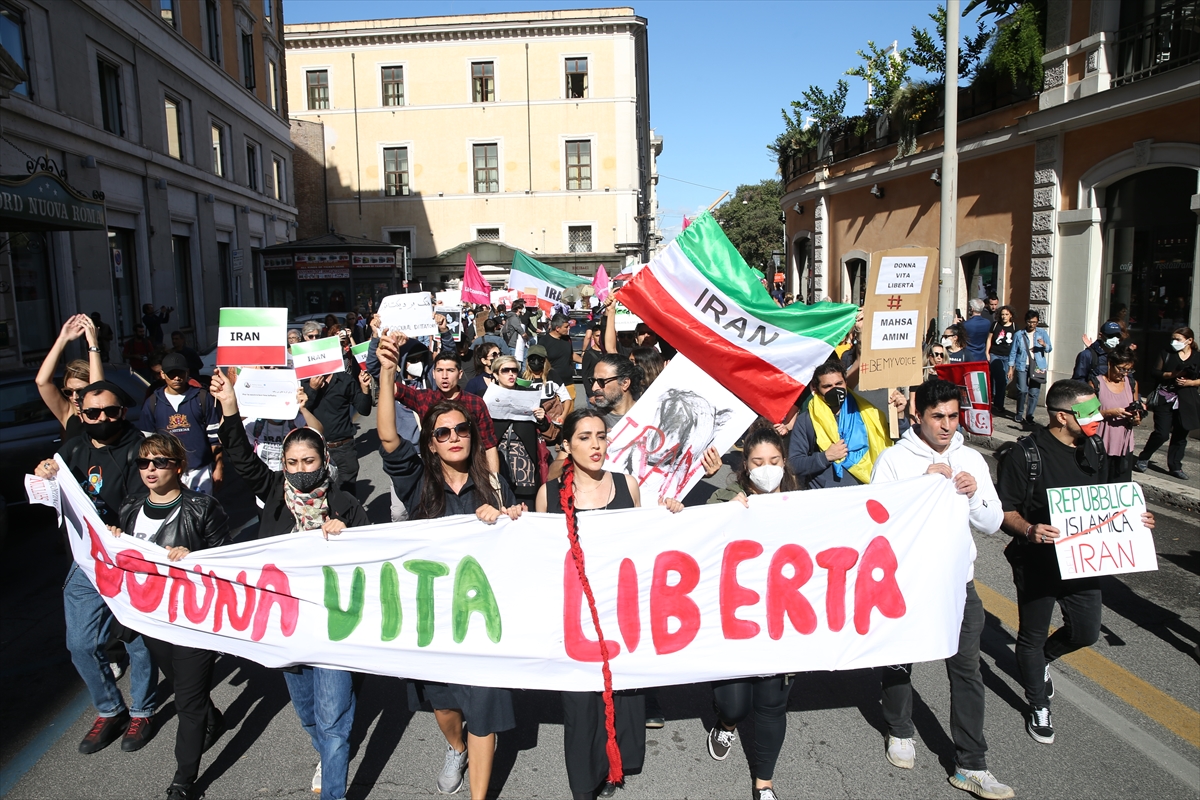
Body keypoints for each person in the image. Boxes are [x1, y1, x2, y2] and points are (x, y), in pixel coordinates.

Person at [376, 332, 522, 800]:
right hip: (434, 619)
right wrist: (386, 371)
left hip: (485, 621)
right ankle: (453, 747)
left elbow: (520, 542)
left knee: (483, 709)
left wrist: (505, 517)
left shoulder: (494, 484)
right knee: (444, 706)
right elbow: (385, 436)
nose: (454, 437)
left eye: (461, 430)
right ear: (432, 444)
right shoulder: (418, 482)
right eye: (443, 433)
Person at [211, 367, 368, 800]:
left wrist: (348, 536)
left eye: (309, 462)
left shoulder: (346, 504)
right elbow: (241, 455)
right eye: (292, 462)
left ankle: (334, 781)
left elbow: (373, 561)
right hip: (286, 625)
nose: (300, 470)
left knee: (334, 719)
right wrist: (229, 405)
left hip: (334, 626)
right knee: (307, 712)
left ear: (324, 463)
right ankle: (328, 751)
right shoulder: (275, 496)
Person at [871, 380, 1013, 800]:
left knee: (967, 669)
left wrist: (971, 496)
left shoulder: (971, 459)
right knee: (900, 659)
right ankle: (899, 728)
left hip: (958, 584)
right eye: (938, 417)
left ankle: (972, 763)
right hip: (909, 581)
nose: (947, 426)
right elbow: (878, 521)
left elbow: (990, 524)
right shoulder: (895, 459)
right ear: (918, 415)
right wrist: (919, 487)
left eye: (953, 416)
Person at [997, 379, 1156, 746]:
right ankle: (1037, 703)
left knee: (1086, 632)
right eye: (1089, 411)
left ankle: (1044, 660)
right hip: (1037, 563)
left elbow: (1108, 501)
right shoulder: (1026, 454)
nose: (1099, 416)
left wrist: (1136, 518)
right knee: (1031, 637)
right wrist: (1029, 528)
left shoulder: (1095, 447)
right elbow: (1005, 511)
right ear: (1062, 416)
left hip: (1082, 562)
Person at [535, 408, 682, 800]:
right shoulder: (549, 495)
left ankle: (616, 764)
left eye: (601, 436)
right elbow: (541, 559)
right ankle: (587, 782)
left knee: (622, 695)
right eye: (584, 437)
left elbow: (641, 546)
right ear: (566, 445)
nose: (596, 444)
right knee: (582, 708)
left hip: (620, 614)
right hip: (576, 621)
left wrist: (669, 516)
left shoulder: (627, 485)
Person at [33, 381, 157, 756]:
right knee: (81, 643)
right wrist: (45, 474)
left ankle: (143, 710)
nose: (103, 419)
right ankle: (109, 709)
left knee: (137, 640)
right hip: (88, 560)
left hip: (132, 558)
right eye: (93, 413)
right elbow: (58, 493)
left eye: (112, 411)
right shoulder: (71, 449)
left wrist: (126, 524)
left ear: (124, 410)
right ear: (81, 414)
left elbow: (155, 493)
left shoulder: (143, 448)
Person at [107, 434, 230, 800]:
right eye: (144, 463)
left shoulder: (202, 508)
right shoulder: (130, 506)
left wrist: (193, 556)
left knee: (188, 702)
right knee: (180, 685)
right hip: (152, 618)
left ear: (178, 466)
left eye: (159, 462)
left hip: (192, 619)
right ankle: (215, 719)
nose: (150, 469)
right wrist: (115, 538)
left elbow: (226, 558)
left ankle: (183, 780)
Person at [704, 423, 803, 800]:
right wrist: (723, 517)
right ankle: (726, 720)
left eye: (774, 460)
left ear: (784, 463)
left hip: (782, 622)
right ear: (745, 464)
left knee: (772, 703)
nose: (767, 468)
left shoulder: (801, 501)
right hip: (735, 621)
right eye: (758, 461)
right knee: (735, 702)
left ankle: (764, 783)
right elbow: (695, 543)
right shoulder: (727, 498)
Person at [387, 329, 502, 474]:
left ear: (460, 374)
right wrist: (391, 356)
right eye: (440, 370)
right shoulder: (424, 398)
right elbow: (390, 388)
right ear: (433, 374)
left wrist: (494, 482)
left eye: (450, 370)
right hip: (434, 474)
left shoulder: (475, 403)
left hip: (471, 472)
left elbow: (489, 445)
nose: (445, 376)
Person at [787, 361, 890, 489]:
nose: (835, 389)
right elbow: (794, 464)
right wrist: (825, 457)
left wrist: (900, 416)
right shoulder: (807, 420)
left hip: (867, 490)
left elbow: (890, 442)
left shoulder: (867, 411)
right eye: (828, 386)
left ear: (846, 383)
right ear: (816, 389)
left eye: (839, 384)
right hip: (829, 498)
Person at [138, 353, 223, 494]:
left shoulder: (202, 398)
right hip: (166, 470)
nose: (177, 378)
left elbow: (215, 438)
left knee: (202, 512)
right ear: (163, 374)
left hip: (200, 471)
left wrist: (219, 467)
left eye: (180, 373)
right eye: (172, 374)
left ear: (188, 372)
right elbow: (147, 445)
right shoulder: (152, 403)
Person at [303, 338, 375, 498]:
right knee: (319, 497)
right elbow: (302, 410)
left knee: (346, 498)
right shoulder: (305, 382)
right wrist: (313, 389)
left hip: (344, 449)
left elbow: (364, 410)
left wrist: (365, 390)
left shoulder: (344, 380)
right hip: (316, 448)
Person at [1135, 327, 1198, 481]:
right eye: (1173, 339)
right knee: (1162, 433)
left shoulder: (1197, 357)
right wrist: (1173, 374)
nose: (1174, 342)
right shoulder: (1166, 353)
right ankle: (1144, 457)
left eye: (1178, 339)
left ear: (1189, 341)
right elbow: (1155, 373)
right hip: (1165, 398)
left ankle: (1176, 466)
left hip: (1186, 400)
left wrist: (1190, 382)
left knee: (1181, 434)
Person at [491, 354, 550, 506]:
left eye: (514, 370)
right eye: (505, 370)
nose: (511, 374)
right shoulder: (488, 397)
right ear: (496, 374)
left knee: (526, 507)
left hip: (525, 463)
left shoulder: (528, 394)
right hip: (498, 460)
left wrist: (542, 418)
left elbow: (545, 429)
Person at [36, 314, 104, 435]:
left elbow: (97, 389)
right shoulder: (68, 413)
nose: (75, 397)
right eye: (69, 392)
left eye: (81, 390)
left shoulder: (104, 414)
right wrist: (62, 339)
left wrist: (93, 343)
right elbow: (42, 382)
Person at [1094, 345, 1142, 484]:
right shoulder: (1096, 383)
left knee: (1119, 488)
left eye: (1129, 370)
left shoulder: (1132, 383)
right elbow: (1084, 414)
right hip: (1101, 445)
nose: (1124, 374)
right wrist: (1109, 412)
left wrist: (1136, 418)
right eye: (1121, 369)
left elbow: (1136, 411)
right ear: (1110, 364)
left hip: (1124, 446)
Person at [1007, 310, 1052, 429]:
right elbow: (1013, 352)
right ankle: (1019, 413)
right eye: (1030, 322)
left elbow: (1049, 348)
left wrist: (1044, 345)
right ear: (1026, 322)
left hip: (1038, 366)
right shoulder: (1019, 334)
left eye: (1035, 322)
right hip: (1022, 365)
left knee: (1034, 392)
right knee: (1022, 390)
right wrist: (1011, 368)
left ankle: (1030, 415)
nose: (1032, 324)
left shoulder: (1042, 333)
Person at [588, 354, 640, 428]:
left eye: (601, 381)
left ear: (625, 383)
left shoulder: (649, 416)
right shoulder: (591, 422)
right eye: (593, 381)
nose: (594, 388)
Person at [524, 344, 574, 419]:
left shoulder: (552, 375)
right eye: (532, 358)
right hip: (528, 418)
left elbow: (566, 398)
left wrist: (563, 416)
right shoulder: (522, 378)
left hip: (549, 418)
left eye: (539, 358)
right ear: (528, 360)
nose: (536, 362)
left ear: (544, 360)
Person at [543, 313, 582, 402]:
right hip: (552, 384)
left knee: (569, 414)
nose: (569, 328)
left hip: (568, 382)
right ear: (557, 328)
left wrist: (585, 361)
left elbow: (571, 355)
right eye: (566, 327)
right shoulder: (544, 342)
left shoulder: (567, 339)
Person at [986, 306, 1016, 416]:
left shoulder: (1014, 327)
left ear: (1011, 315)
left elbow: (1016, 344)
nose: (1004, 316)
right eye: (1002, 314)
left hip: (1008, 357)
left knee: (1004, 381)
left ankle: (997, 401)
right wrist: (987, 353)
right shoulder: (995, 325)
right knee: (1000, 379)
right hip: (995, 355)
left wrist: (1012, 364)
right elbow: (989, 339)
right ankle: (999, 404)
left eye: (1006, 314)